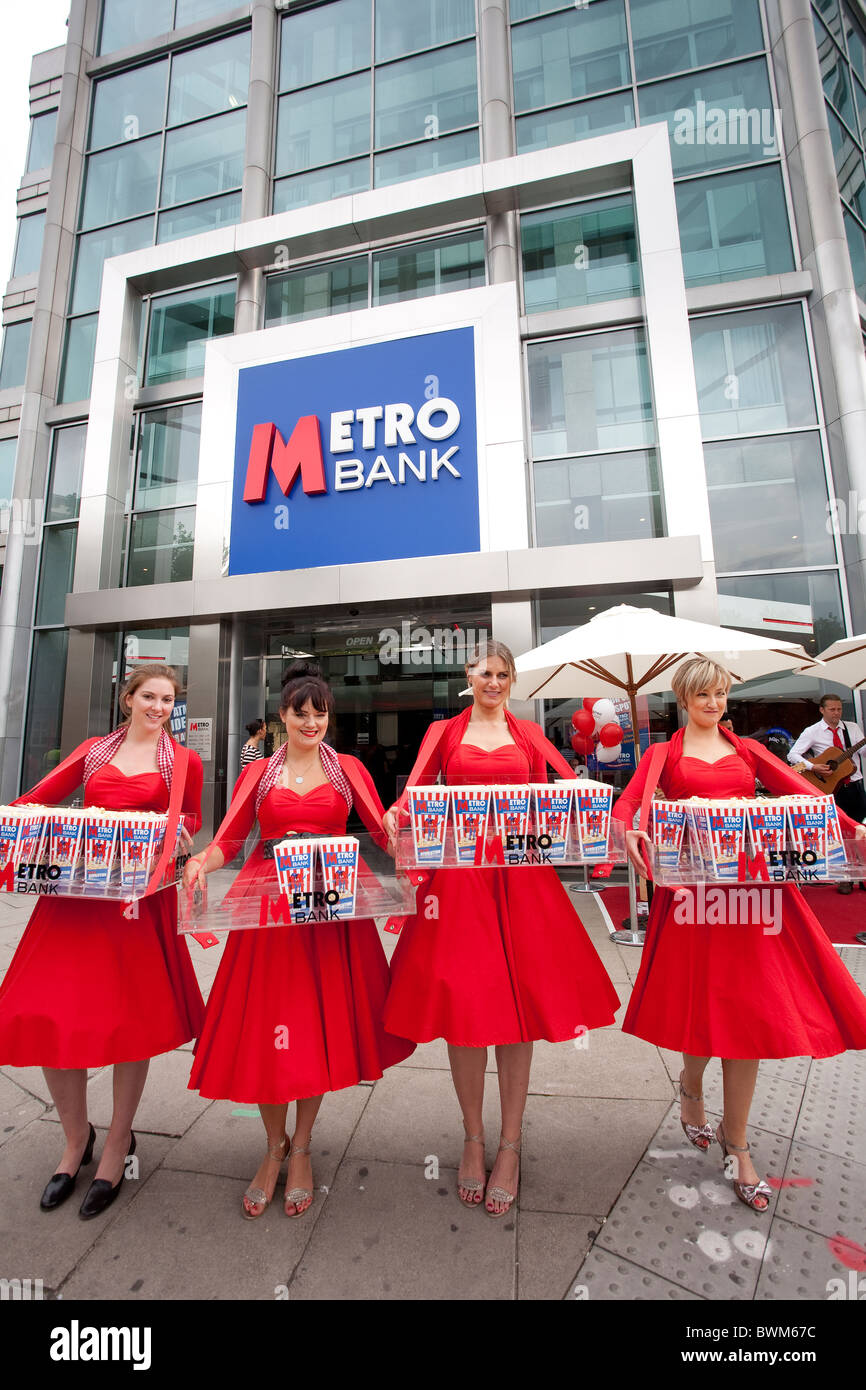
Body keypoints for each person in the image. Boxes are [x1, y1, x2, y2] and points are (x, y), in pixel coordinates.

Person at [615, 658, 866, 1212]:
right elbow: (631, 802)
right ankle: (691, 1083)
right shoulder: (664, 754)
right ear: (684, 698)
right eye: (703, 694)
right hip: (694, 898)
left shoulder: (747, 750)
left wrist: (857, 831)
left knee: (748, 1014)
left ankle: (739, 1143)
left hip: (753, 893)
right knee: (705, 1009)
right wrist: (632, 827)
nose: (713, 702)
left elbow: (809, 799)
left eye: (721, 694)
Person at [382, 641, 619, 1218]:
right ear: (469, 676)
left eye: (503, 674)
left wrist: (603, 812)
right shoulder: (443, 732)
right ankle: (471, 1136)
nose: (494, 681)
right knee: (465, 1008)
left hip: (520, 880)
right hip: (459, 880)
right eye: (485, 672)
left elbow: (566, 788)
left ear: (513, 681)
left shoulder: (530, 733)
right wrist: (396, 815)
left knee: (520, 1007)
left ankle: (509, 1144)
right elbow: (415, 793)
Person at [184, 662, 415, 1220]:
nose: (311, 722)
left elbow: (383, 832)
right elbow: (230, 839)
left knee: (317, 1027)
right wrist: (199, 861)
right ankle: (272, 1148)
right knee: (268, 1028)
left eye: (320, 713)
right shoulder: (258, 774)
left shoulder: (348, 768)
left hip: (333, 911)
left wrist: (410, 830)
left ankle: (303, 1146)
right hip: (269, 913)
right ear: (281, 716)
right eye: (300, 713)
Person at [0, 664, 204, 1218]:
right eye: (149, 697)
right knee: (48, 1014)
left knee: (128, 1022)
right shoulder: (93, 750)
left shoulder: (183, 760)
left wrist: (166, 836)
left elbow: (191, 820)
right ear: (128, 698)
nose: (159, 707)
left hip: (135, 904)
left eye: (167, 699)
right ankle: (74, 1140)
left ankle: (118, 1143)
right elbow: (37, 798)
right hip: (73, 900)